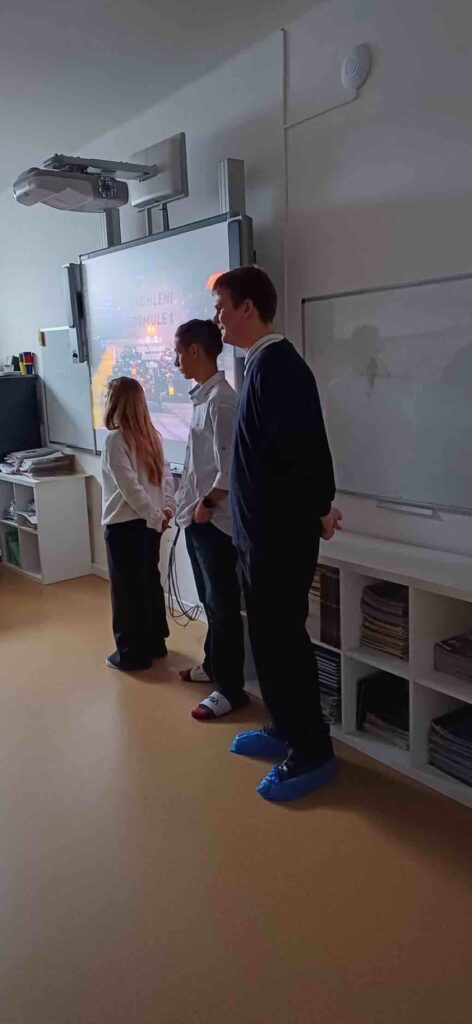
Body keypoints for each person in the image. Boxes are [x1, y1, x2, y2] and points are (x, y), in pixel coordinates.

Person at [213, 267, 342, 802]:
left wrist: (320, 509)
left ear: (248, 308)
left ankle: (312, 750)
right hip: (258, 538)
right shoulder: (258, 365)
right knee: (268, 641)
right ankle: (285, 726)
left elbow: (306, 455)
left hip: (279, 542)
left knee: (285, 643)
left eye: (222, 307)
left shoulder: (280, 368)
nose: (217, 318)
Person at [174, 319, 248, 721]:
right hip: (197, 518)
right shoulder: (203, 397)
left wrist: (205, 504)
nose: (176, 361)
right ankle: (212, 666)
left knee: (223, 606)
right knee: (209, 601)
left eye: (179, 352)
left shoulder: (222, 401)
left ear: (196, 351)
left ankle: (230, 690)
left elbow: (229, 468)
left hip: (214, 522)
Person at [101, 376, 176, 671]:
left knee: (126, 590)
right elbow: (166, 480)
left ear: (115, 403)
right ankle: (155, 643)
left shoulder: (115, 440)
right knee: (148, 583)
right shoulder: (152, 436)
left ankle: (131, 654)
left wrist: (157, 515)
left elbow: (129, 489)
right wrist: (164, 510)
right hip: (149, 526)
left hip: (125, 526)